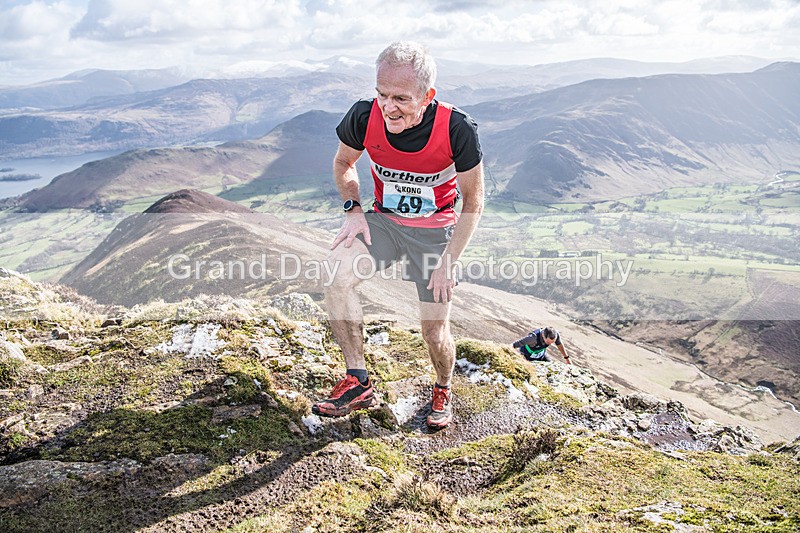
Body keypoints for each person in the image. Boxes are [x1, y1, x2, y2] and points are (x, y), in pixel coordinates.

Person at [311, 41, 484, 429]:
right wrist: (353, 209)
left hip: (434, 235)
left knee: (434, 332)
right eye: (382, 94)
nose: (389, 107)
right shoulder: (363, 115)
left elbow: (473, 202)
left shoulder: (456, 128)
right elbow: (344, 161)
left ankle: (443, 387)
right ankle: (358, 380)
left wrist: (448, 261)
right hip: (385, 223)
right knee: (336, 274)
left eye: (402, 99)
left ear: (427, 96)